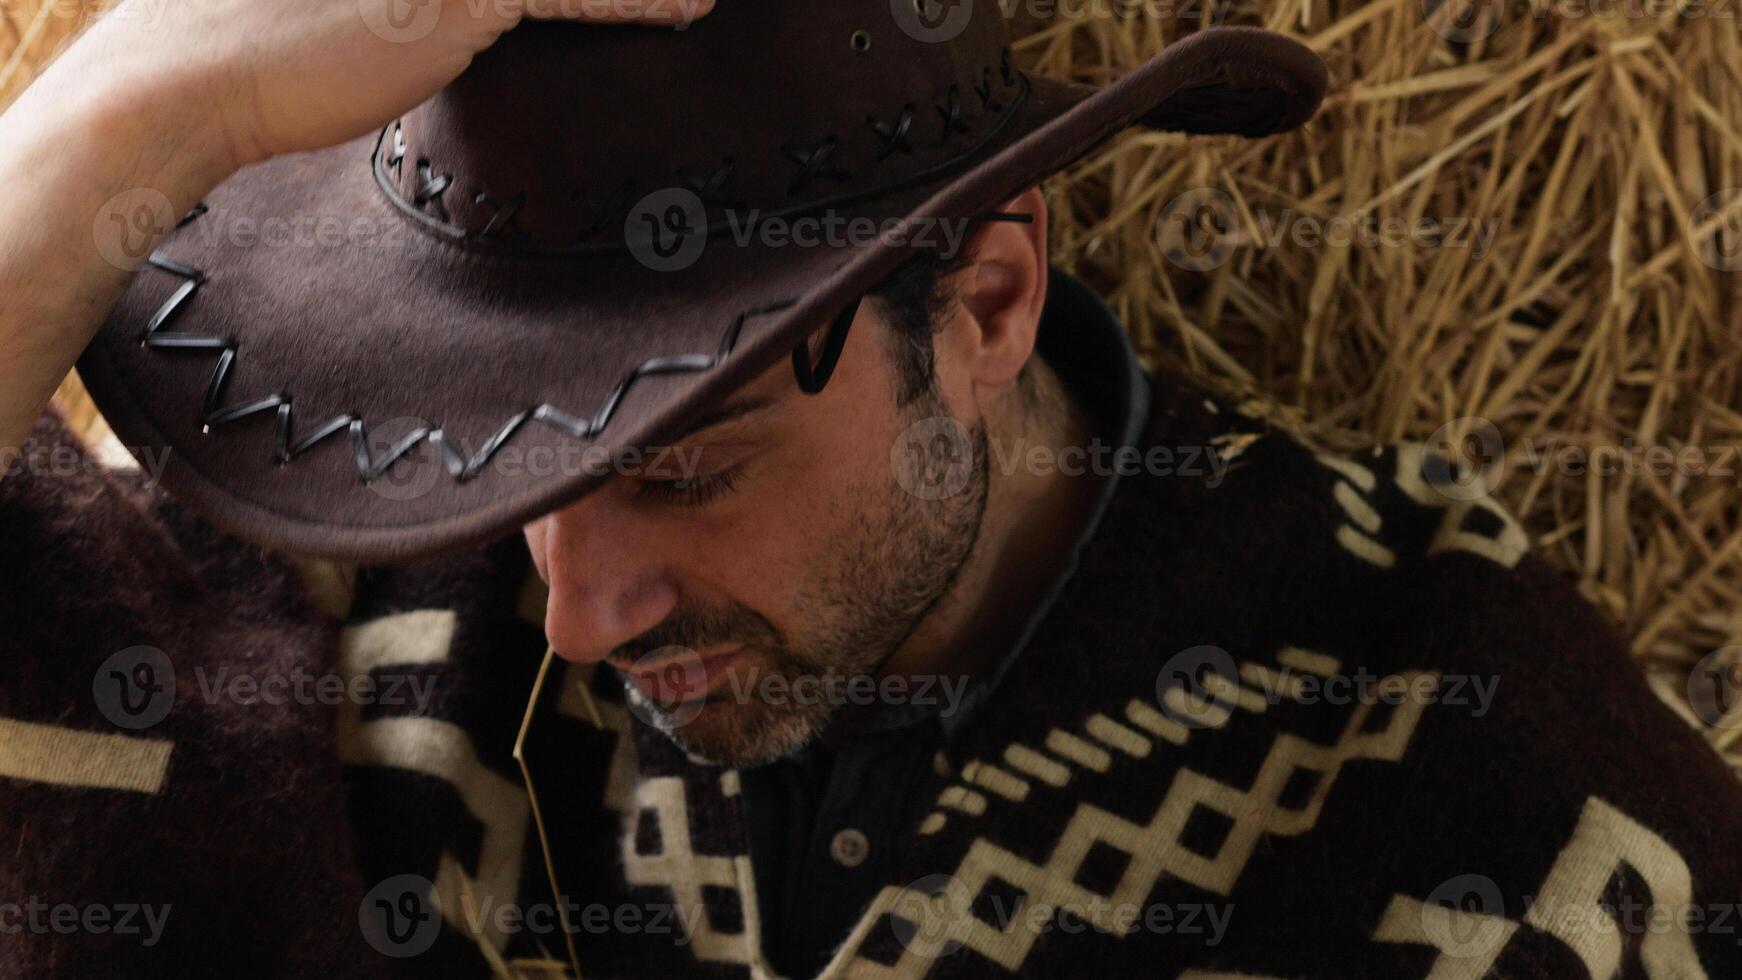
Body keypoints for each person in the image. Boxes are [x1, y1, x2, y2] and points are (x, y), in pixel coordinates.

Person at [2, 1, 1737, 978]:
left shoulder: (1466, 784)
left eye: (679, 469)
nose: (579, 612)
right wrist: (130, 113)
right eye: (523, 460)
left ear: (986, 305)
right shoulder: (374, 571)